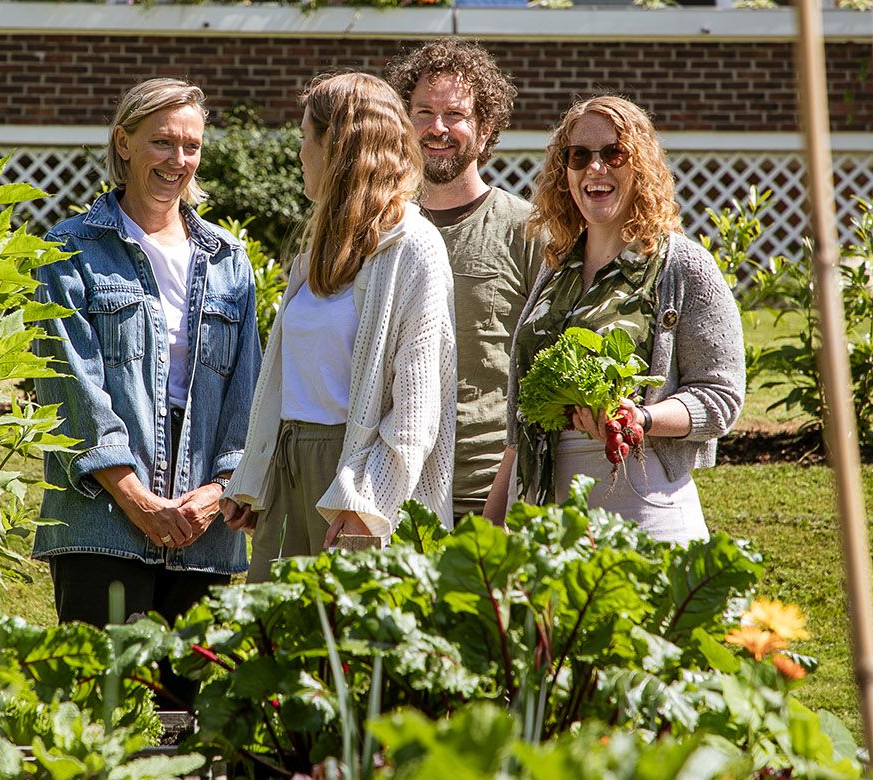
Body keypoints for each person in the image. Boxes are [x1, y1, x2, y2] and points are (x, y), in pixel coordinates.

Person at [31, 78, 261, 636]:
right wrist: (136, 499)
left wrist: (214, 493)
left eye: (191, 146)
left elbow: (248, 392)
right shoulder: (70, 251)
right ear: (124, 142)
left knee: (189, 707)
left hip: (203, 527)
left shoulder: (229, 261)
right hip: (104, 517)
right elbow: (69, 386)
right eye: (162, 142)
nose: (177, 159)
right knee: (108, 705)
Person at [220, 72, 456, 581]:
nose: (300, 153)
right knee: (277, 645)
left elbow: (416, 408)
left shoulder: (414, 247)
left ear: (340, 148)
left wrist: (369, 500)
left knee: (348, 651)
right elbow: (290, 384)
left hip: (354, 480)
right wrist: (254, 477)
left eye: (307, 138)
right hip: (289, 468)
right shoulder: (317, 253)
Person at [485, 96, 744, 544]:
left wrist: (640, 417)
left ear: (639, 164)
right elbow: (521, 415)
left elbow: (720, 395)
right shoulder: (556, 267)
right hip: (542, 523)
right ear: (563, 170)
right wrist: (492, 520)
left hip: (639, 512)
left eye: (613, 153)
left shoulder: (680, 267)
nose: (595, 167)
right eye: (579, 155)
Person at [385, 40, 544, 523]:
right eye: (423, 112)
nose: (437, 128)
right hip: (393, 484)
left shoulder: (526, 229)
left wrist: (510, 487)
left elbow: (545, 364)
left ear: (486, 126)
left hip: (487, 486)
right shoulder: (380, 228)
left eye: (455, 114)